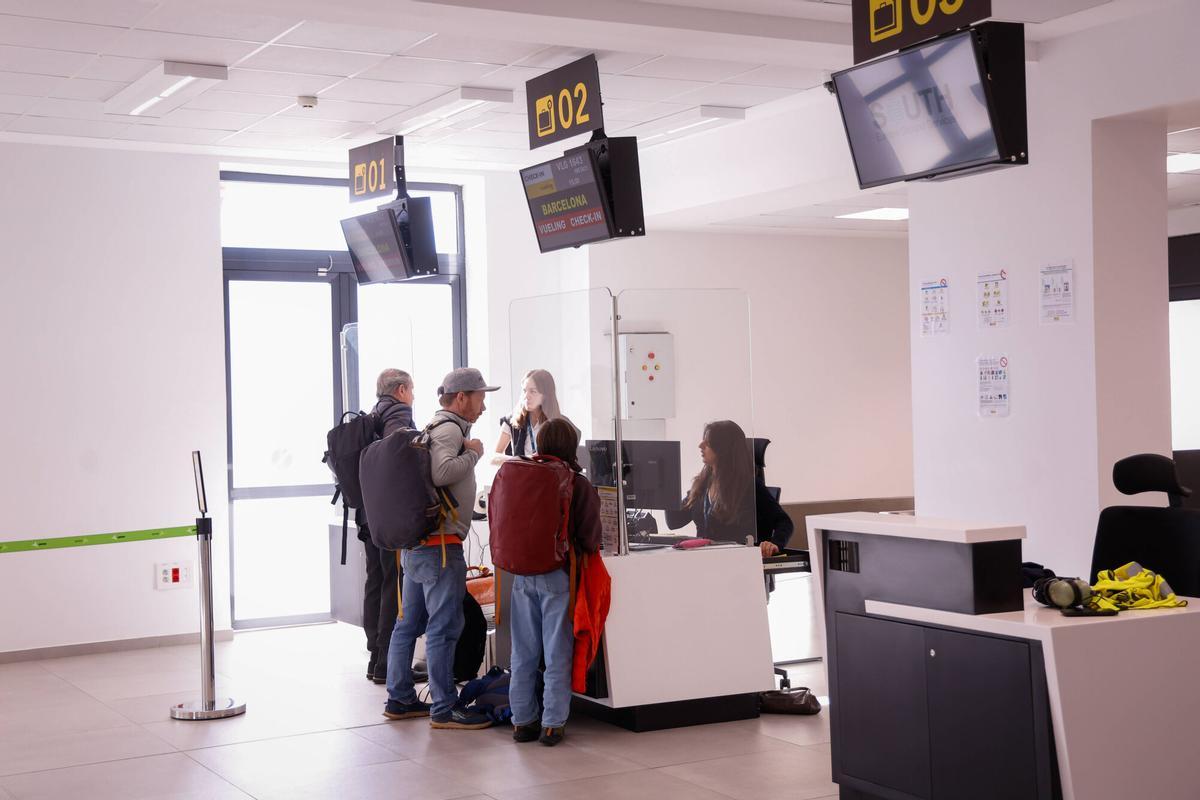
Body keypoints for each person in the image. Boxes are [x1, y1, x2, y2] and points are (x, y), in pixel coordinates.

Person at [383, 367, 498, 730]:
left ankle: (399, 699)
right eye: (479, 397)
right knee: (444, 627)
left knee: (408, 624)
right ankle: (444, 707)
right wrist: (475, 454)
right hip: (441, 548)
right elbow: (441, 472)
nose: (483, 405)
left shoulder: (434, 427)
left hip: (419, 545)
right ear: (461, 397)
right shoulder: (450, 430)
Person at [507, 418, 602, 747]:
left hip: (520, 575)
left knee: (523, 652)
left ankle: (522, 721)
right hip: (557, 576)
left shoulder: (523, 474)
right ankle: (552, 724)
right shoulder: (577, 483)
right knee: (557, 652)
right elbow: (591, 539)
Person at [356, 368, 422, 685]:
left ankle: (374, 657)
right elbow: (403, 460)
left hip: (367, 515)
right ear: (399, 390)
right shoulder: (398, 415)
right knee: (393, 585)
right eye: (411, 389)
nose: (413, 395)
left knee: (376, 579)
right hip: (388, 516)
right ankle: (386, 661)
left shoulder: (372, 416)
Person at [665, 420, 793, 557]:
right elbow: (675, 521)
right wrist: (665, 483)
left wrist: (774, 543)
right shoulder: (703, 484)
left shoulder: (748, 485)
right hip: (704, 560)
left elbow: (784, 522)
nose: (700, 445)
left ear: (722, 448)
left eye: (707, 442)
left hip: (735, 562)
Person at [494, 369, 575, 457]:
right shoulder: (512, 420)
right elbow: (495, 457)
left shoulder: (560, 424)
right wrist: (521, 461)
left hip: (548, 470)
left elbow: (567, 460)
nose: (526, 396)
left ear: (545, 395)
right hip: (521, 470)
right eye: (524, 391)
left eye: (533, 391)